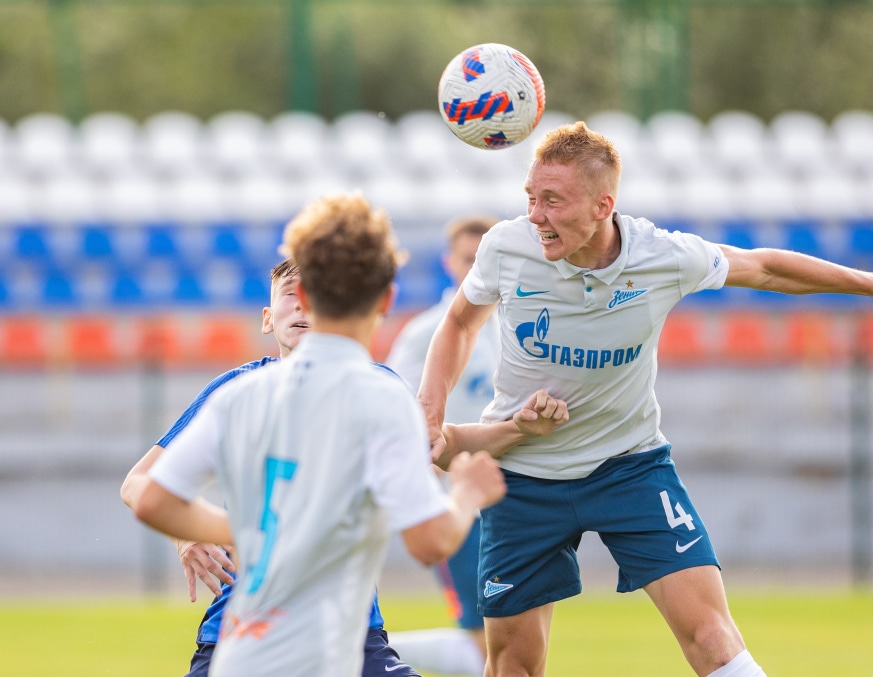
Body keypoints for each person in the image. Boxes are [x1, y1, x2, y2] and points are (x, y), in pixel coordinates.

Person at [416, 122, 873, 677]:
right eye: (531, 198)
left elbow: (764, 266)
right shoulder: (507, 247)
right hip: (521, 475)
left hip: (628, 467)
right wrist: (432, 408)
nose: (536, 215)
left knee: (712, 636)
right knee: (512, 666)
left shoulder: (661, 256)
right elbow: (458, 324)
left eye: (552, 201)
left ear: (604, 205)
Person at [123, 193, 569, 677]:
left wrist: (255, 530)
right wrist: (464, 495)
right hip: (337, 644)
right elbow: (429, 541)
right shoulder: (382, 394)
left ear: (310, 297)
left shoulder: (239, 396)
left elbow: (152, 500)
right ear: (387, 300)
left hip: (244, 651)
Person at [385, 214, 499, 677]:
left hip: (519, 495)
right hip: (459, 502)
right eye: (467, 259)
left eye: (484, 259)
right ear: (449, 262)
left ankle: (360, 648)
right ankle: (360, 650)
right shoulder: (425, 334)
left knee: (512, 639)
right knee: (485, 644)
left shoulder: (525, 325)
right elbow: (398, 409)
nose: (475, 268)